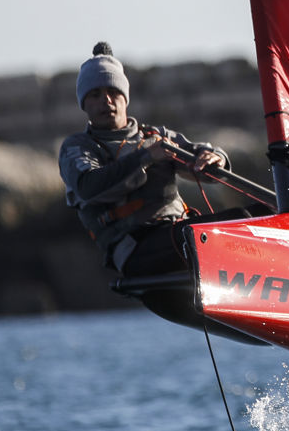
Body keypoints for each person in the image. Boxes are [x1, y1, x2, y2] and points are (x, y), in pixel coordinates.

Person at [58, 42, 230, 279]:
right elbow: (90, 187)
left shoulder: (156, 136)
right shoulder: (77, 148)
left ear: (125, 98)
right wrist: (146, 157)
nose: (106, 101)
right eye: (95, 95)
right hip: (134, 250)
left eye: (113, 92)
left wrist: (215, 157)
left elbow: (202, 161)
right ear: (84, 105)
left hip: (180, 233)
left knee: (252, 216)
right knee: (195, 238)